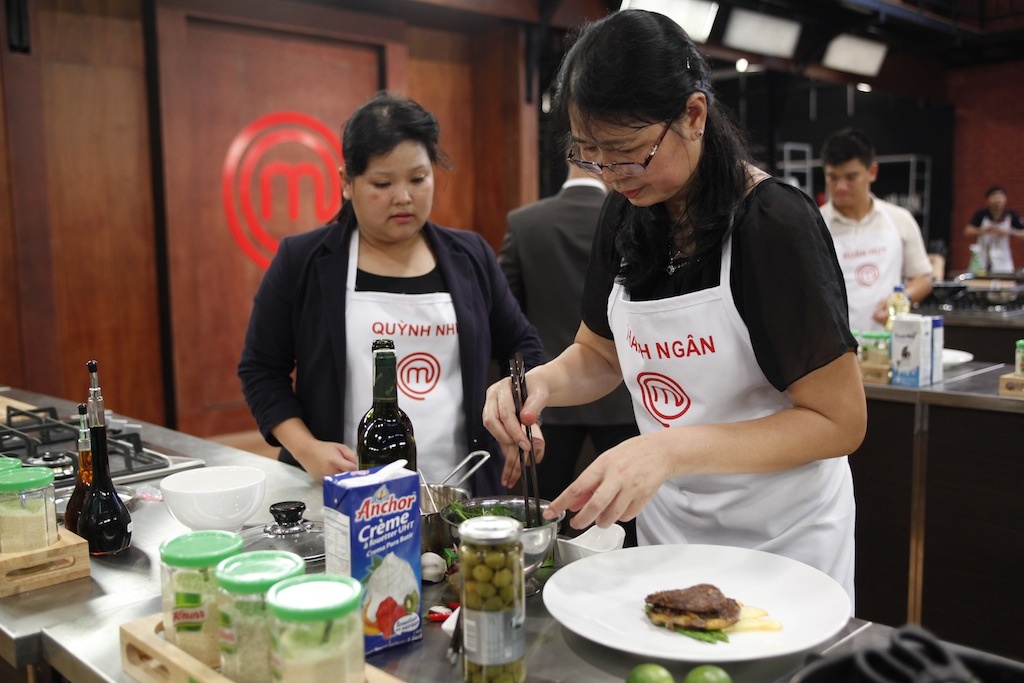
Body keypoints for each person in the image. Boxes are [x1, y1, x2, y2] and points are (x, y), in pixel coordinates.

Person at [482, 9, 866, 601]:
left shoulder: (773, 224)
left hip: (783, 542)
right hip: (673, 534)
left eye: (629, 152)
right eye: (591, 154)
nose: (612, 175)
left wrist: (667, 448)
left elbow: (839, 421)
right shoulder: (625, 212)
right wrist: (540, 384)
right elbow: (599, 355)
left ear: (694, 115)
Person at [238, 92, 544, 493]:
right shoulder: (303, 261)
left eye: (418, 179)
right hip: (343, 488)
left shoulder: (470, 256)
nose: (404, 197)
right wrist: (307, 448)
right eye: (383, 183)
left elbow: (521, 345)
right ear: (347, 182)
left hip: (456, 487)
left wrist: (519, 411)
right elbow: (261, 369)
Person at [499, 162, 641, 544]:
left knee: (546, 518)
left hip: (550, 399)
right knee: (628, 520)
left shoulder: (525, 224)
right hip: (624, 395)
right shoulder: (635, 218)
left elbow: (506, 316)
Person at [819, 127, 934, 332]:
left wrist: (901, 299)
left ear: (872, 172)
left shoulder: (899, 219)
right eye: (833, 177)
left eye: (851, 177)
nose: (841, 186)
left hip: (889, 339)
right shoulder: (814, 224)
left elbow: (923, 279)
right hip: (833, 343)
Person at [963, 185, 1024, 274]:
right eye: (994, 197)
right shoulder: (981, 214)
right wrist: (985, 230)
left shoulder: (1011, 215)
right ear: (987, 200)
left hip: (1003, 260)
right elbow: (967, 231)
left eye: (1001, 197)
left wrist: (1011, 232)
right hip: (982, 258)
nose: (998, 200)